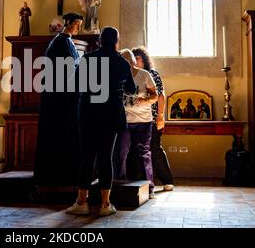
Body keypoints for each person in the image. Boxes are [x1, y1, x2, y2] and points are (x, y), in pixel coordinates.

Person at [66, 27, 137, 217]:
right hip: (111, 114)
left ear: (99, 41)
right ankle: (106, 204)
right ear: (117, 42)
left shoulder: (87, 59)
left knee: (87, 157)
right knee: (106, 157)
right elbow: (132, 89)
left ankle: (81, 202)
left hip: (89, 112)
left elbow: (74, 84)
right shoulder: (122, 62)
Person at [33, 12, 83, 187]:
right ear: (68, 23)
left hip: (63, 95)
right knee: (59, 134)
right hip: (58, 97)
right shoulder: (61, 42)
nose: (79, 27)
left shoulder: (66, 41)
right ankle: (58, 175)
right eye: (77, 23)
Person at [113, 49, 158, 199]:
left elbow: (155, 96)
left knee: (144, 153)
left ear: (133, 61)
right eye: (122, 61)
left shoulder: (144, 75)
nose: (125, 64)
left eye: (128, 61)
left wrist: (145, 100)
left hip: (143, 121)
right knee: (121, 153)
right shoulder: (118, 75)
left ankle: (150, 187)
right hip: (124, 121)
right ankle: (120, 184)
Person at [132, 47, 174, 192]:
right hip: (135, 119)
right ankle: (141, 183)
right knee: (137, 151)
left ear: (144, 60)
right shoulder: (131, 74)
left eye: (137, 58)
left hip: (152, 118)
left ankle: (167, 180)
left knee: (154, 148)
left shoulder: (152, 74)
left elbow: (161, 95)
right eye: (133, 58)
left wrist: (160, 117)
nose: (135, 61)